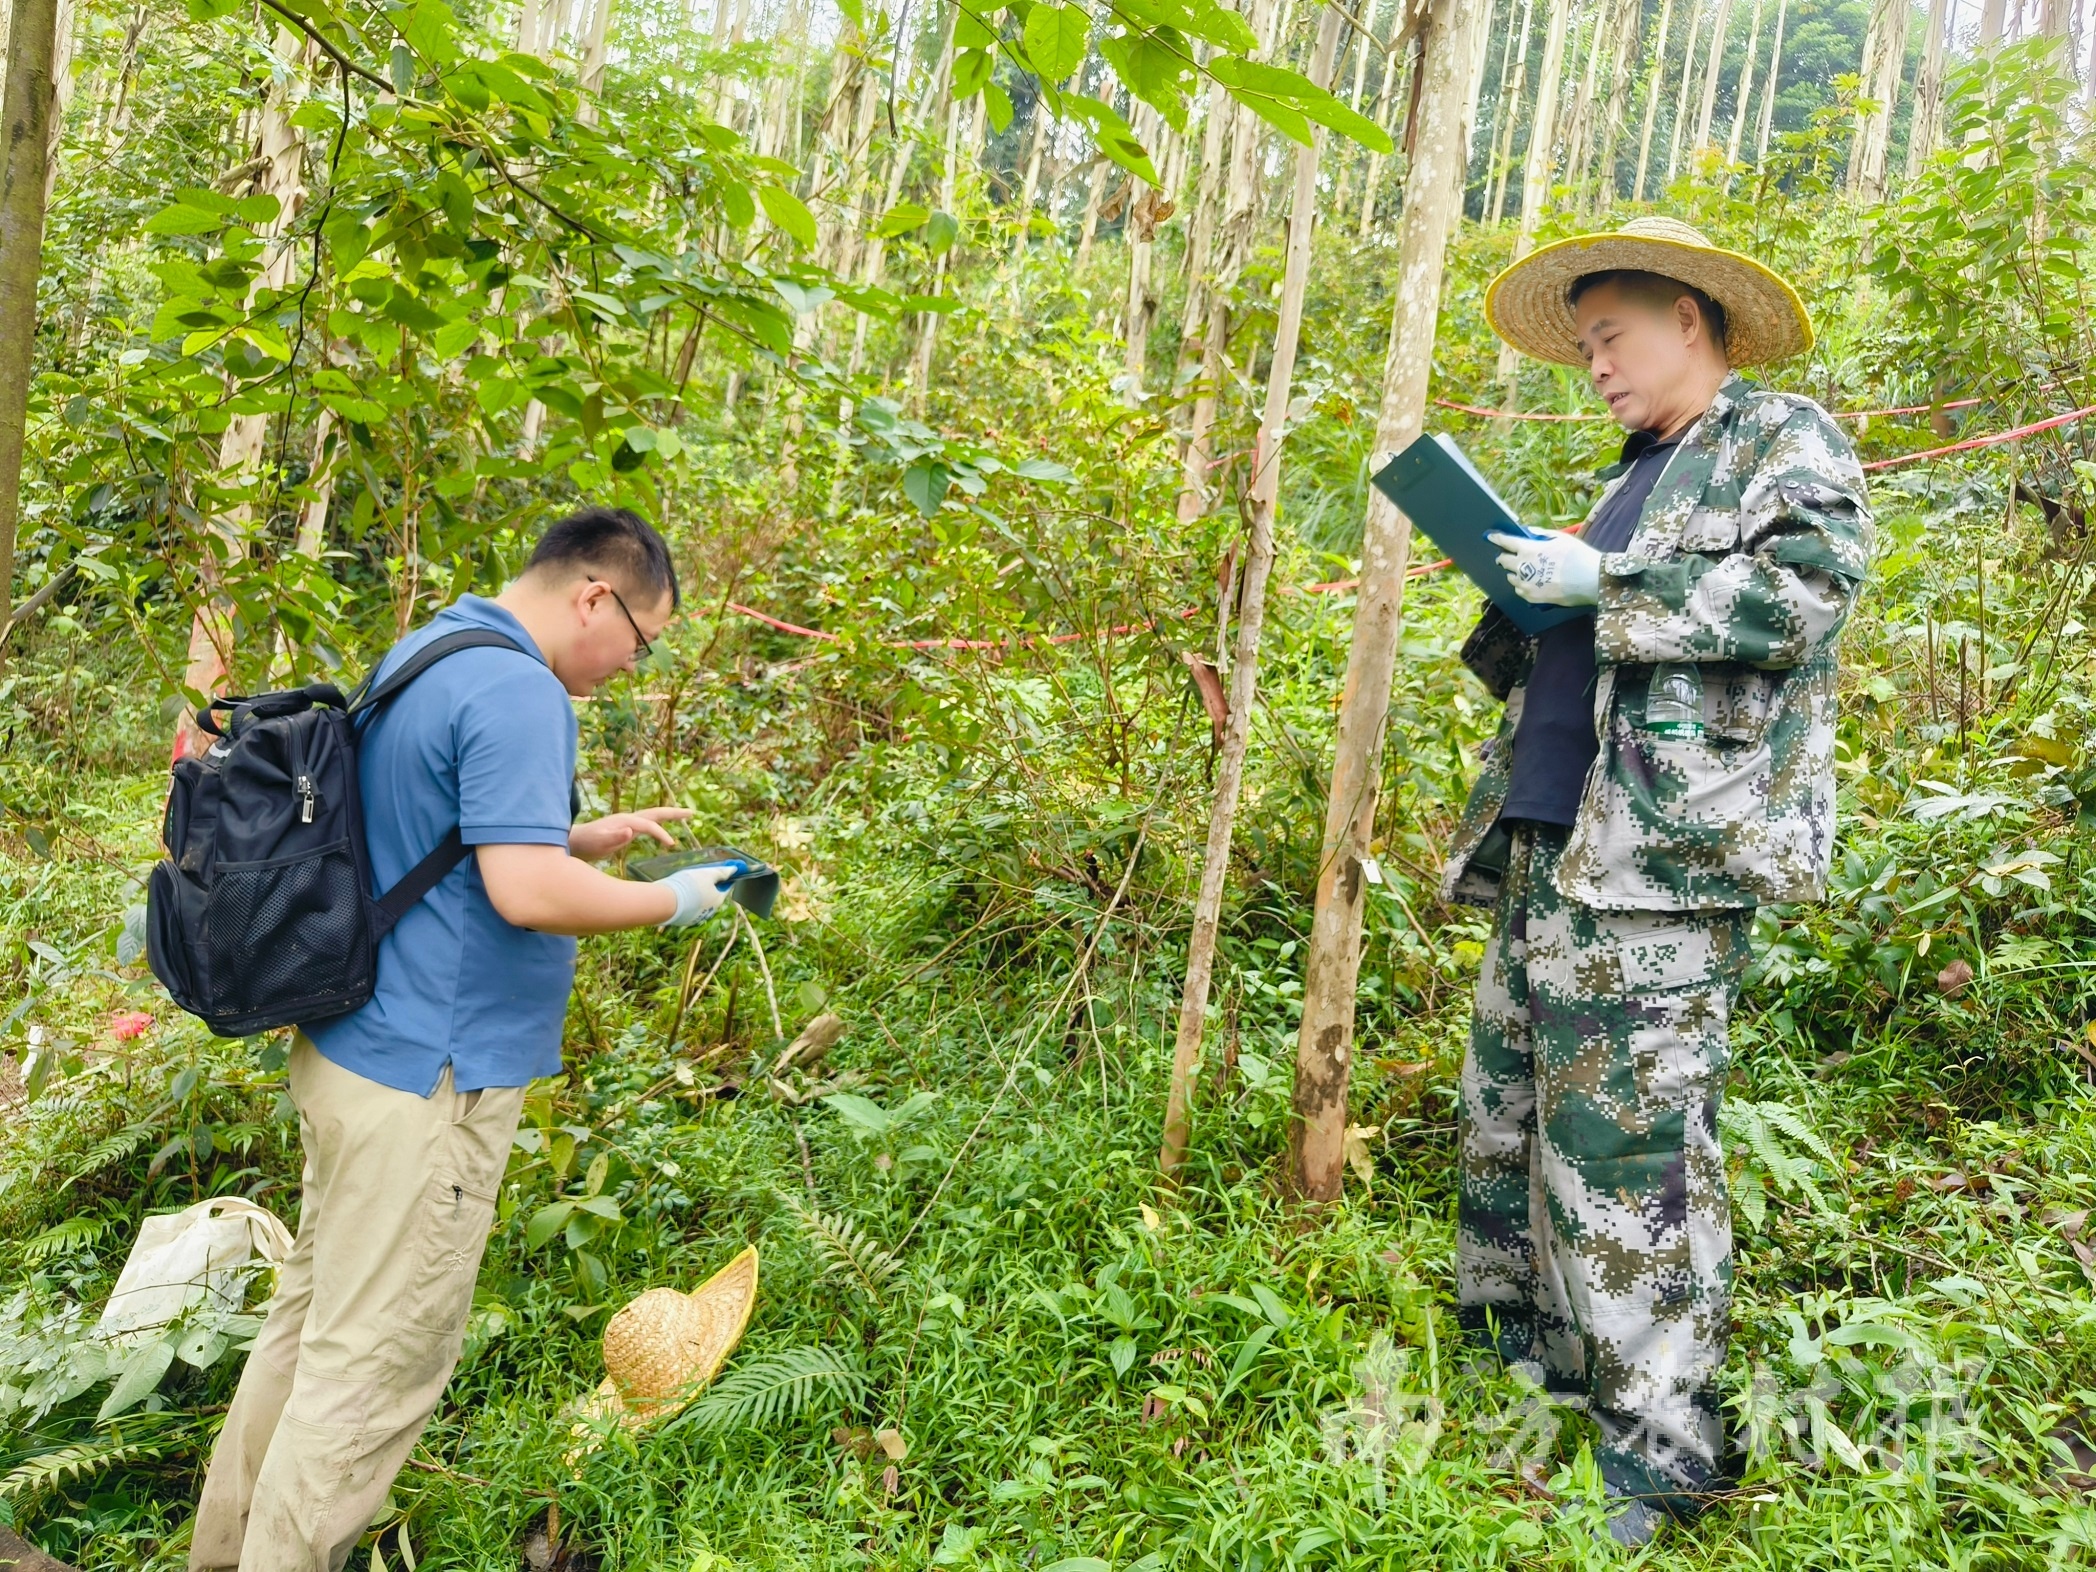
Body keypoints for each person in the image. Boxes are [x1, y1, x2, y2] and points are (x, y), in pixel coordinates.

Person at [190, 507, 737, 1572]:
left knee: (309, 1334)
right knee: (373, 1367)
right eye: (643, 638)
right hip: (427, 1084)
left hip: (354, 1047)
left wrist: (583, 836)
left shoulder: (440, 645)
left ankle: (226, 1558)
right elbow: (523, 890)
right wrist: (673, 901)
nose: (634, 663)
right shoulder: (522, 690)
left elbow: (429, 826)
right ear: (595, 597)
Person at [1443, 217, 1873, 1545]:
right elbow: (1591, 649)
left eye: (1612, 338)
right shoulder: (1636, 472)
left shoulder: (1775, 439)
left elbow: (1809, 590)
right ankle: (1536, 1376)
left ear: (1690, 316)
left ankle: (1667, 1453)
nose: (1598, 368)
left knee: (1631, 1158)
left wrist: (1608, 578)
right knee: (1514, 1121)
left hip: (1659, 873)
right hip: (1556, 846)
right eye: (1583, 351)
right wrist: (1527, 589)